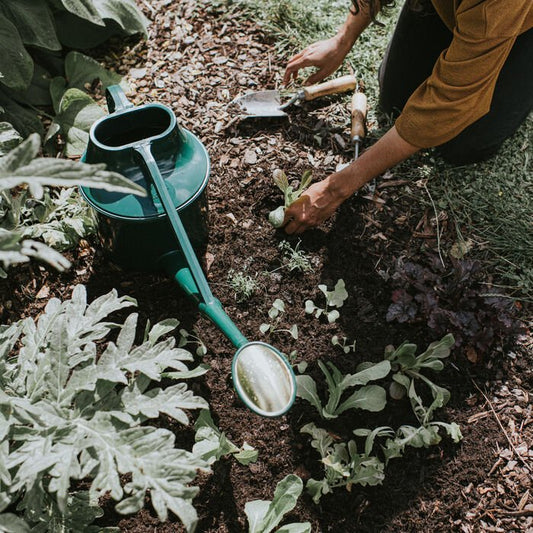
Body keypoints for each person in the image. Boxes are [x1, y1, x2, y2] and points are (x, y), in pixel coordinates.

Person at [281, 0, 533, 234]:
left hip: (517, 21)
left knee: (464, 144)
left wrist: (336, 189)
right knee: (397, 101)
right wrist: (343, 39)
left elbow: (448, 103)